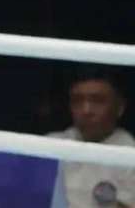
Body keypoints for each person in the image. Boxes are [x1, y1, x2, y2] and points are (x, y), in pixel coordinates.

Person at [48, 66, 134, 208]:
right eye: (77, 100)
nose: (86, 110)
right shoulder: (49, 145)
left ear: (120, 108)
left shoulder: (130, 154)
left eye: (98, 100)